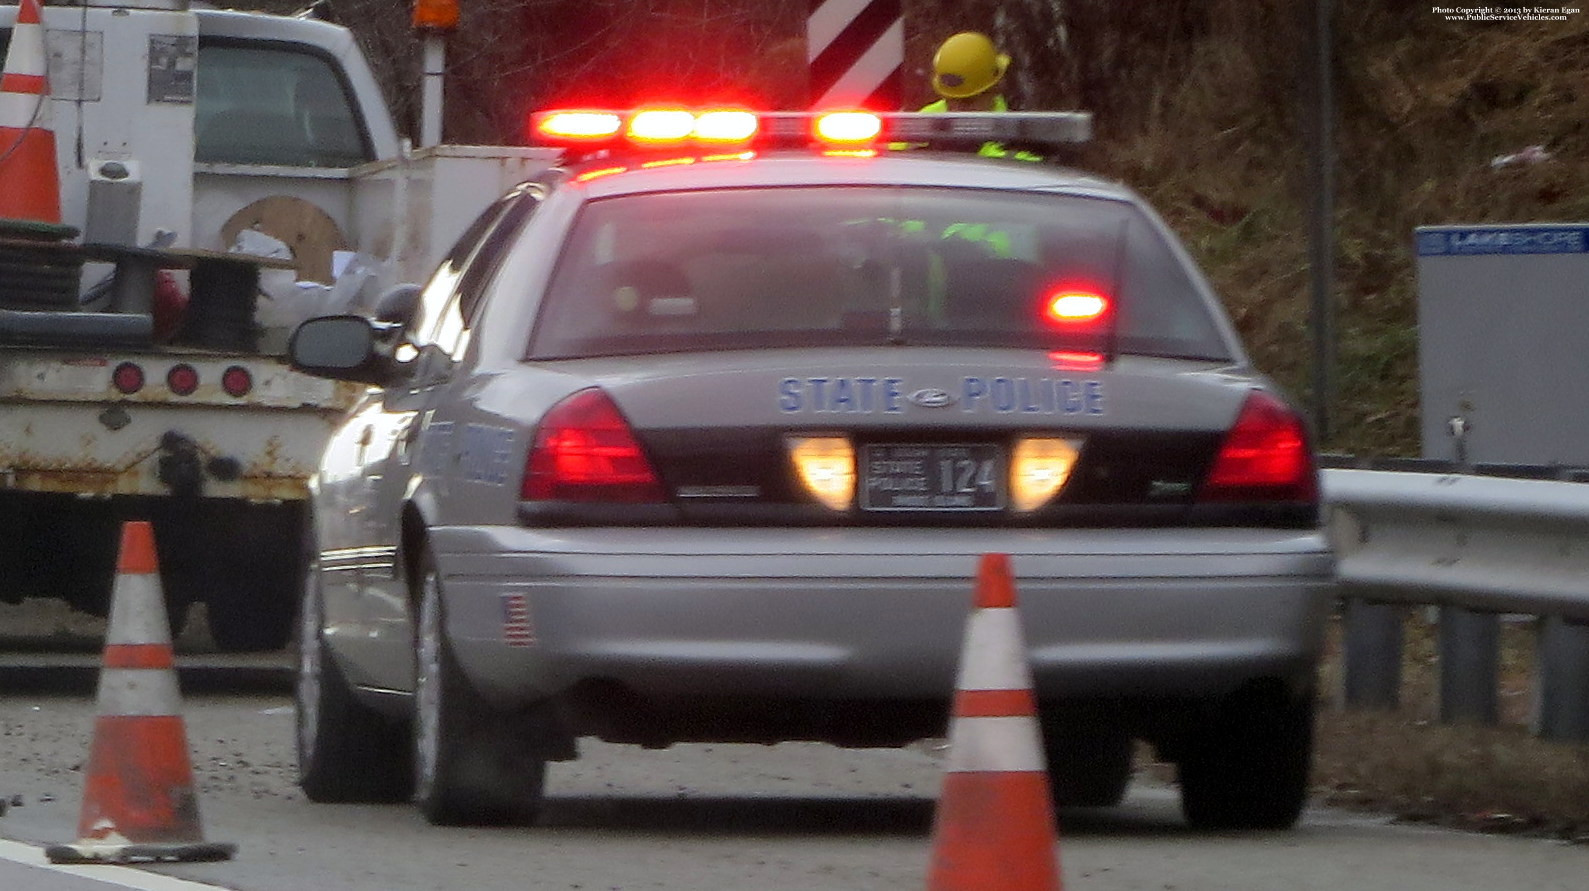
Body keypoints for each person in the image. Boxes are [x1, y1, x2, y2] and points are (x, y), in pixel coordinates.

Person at [916, 31, 1040, 161]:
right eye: (950, 100)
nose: (956, 110)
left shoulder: (1019, 141)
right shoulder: (921, 124)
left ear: (994, 89)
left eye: (967, 101)